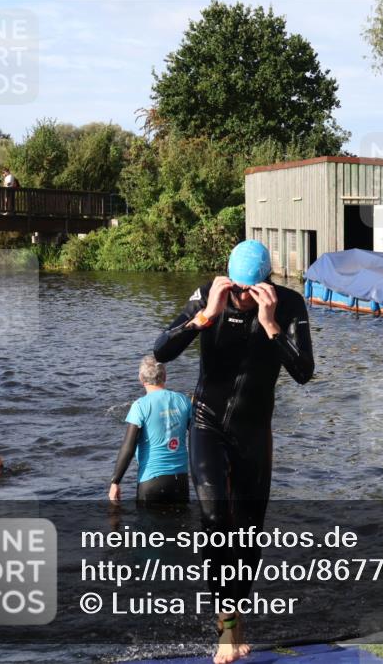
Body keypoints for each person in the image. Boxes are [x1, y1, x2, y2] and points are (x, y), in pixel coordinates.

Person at [153, 240, 313, 664]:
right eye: (238, 289)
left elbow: (303, 372)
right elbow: (160, 348)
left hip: (253, 429)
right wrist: (204, 317)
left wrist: (270, 322)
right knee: (212, 516)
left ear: (266, 284)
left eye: (251, 290)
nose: (242, 297)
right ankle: (225, 628)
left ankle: (236, 616)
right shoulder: (210, 295)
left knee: (247, 533)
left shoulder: (289, 304)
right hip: (207, 422)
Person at [109, 356, 192, 504]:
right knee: (181, 525)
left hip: (151, 481)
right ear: (165, 377)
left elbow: (128, 447)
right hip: (181, 480)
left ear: (141, 379)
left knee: (148, 526)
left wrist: (115, 481)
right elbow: (197, 435)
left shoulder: (140, 406)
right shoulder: (183, 400)